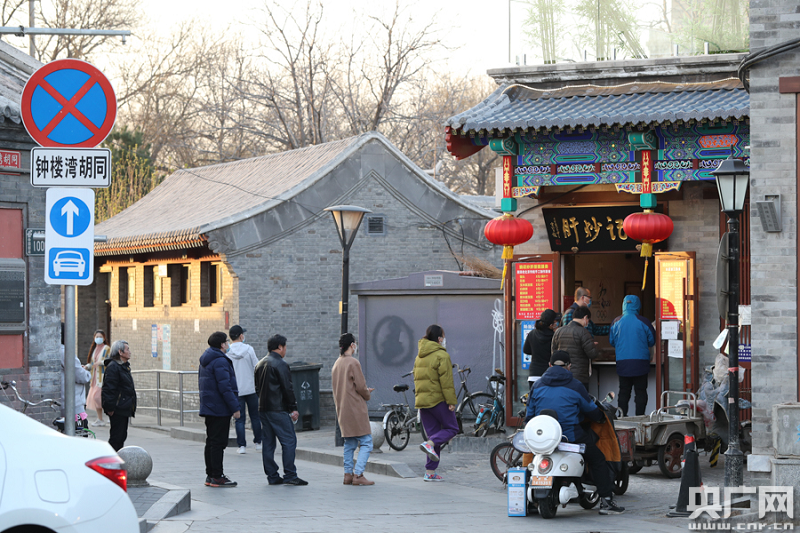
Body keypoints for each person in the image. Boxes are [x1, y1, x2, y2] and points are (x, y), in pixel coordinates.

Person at [526, 350, 625, 515]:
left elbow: (529, 415)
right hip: (570, 437)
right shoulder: (575, 385)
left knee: (528, 460)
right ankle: (606, 501)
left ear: (549, 365)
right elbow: (591, 410)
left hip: (542, 439)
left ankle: (528, 502)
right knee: (598, 459)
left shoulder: (537, 386)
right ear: (569, 366)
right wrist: (600, 416)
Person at [254, 334, 307, 486]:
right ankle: (290, 474)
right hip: (278, 409)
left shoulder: (259, 364)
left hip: (263, 408)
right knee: (289, 440)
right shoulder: (280, 364)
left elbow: (257, 388)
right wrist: (293, 408)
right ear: (280, 347)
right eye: (285, 347)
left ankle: (272, 475)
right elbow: (287, 388)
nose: (285, 350)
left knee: (268, 443)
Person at [413, 324, 459, 482]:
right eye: (443, 337)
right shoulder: (442, 355)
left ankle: (430, 472)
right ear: (439, 339)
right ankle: (430, 444)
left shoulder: (419, 356)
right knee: (452, 428)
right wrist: (451, 401)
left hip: (422, 402)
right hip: (438, 400)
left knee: (434, 436)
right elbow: (447, 382)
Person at [331, 333, 375, 486]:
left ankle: (348, 474)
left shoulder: (337, 364)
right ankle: (358, 474)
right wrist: (367, 393)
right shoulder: (353, 363)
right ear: (352, 345)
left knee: (349, 443)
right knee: (367, 442)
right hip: (355, 408)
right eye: (355, 343)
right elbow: (361, 387)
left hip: (342, 408)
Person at [199, 332, 241, 488]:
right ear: (222, 345)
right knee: (218, 443)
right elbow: (225, 387)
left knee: (211, 441)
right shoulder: (220, 361)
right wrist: (235, 408)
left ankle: (211, 475)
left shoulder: (207, 359)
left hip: (209, 406)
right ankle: (217, 476)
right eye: (227, 342)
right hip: (220, 408)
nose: (228, 344)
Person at [609, 295, 656, 417]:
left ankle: (622, 417)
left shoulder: (616, 321)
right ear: (638, 305)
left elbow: (612, 341)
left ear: (624, 305)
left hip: (623, 362)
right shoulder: (644, 321)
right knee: (640, 391)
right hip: (641, 362)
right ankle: (640, 417)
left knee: (624, 392)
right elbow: (652, 341)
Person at [227, 325, 262, 455]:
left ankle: (242, 446)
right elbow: (257, 367)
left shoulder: (228, 352)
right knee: (255, 417)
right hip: (251, 389)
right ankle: (258, 443)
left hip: (236, 391)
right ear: (241, 336)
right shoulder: (249, 349)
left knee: (239, 419)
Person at [102, 340, 137, 452]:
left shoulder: (123, 366)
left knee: (121, 436)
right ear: (120, 352)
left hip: (124, 406)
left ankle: (116, 457)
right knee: (116, 438)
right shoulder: (113, 367)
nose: (129, 352)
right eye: (127, 349)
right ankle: (111, 458)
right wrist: (110, 407)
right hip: (118, 408)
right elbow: (108, 389)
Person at [551, 305, 598, 389]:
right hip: (579, 376)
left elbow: (553, 353)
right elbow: (592, 354)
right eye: (588, 320)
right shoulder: (583, 332)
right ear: (585, 317)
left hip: (562, 374)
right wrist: (593, 345)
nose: (587, 323)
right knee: (579, 397)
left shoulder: (558, 331)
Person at [61, 332, 92, 430]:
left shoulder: (52, 350)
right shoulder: (65, 352)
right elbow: (82, 376)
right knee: (80, 434)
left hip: (61, 402)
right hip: (72, 404)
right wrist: (86, 371)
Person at [523, 309, 560, 380]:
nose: (557, 323)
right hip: (549, 374)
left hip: (534, 374)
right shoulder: (554, 336)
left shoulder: (532, 333)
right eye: (555, 322)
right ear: (551, 325)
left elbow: (526, 350)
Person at [85, 329, 110, 427]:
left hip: (103, 377)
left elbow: (110, 360)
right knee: (96, 398)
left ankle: (110, 414)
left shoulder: (106, 348)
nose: (98, 338)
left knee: (98, 397)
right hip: (95, 377)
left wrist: (101, 362)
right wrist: (87, 366)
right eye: (97, 337)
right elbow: (92, 363)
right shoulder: (94, 349)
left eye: (100, 337)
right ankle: (100, 419)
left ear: (104, 338)